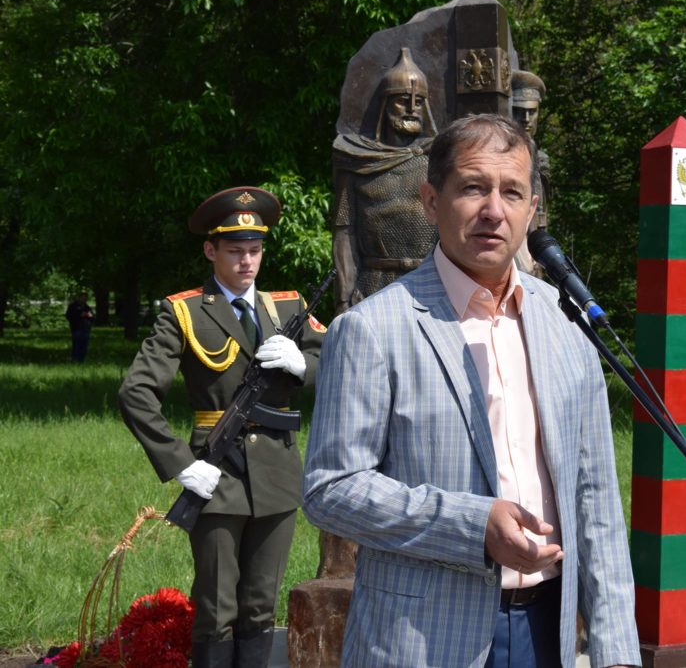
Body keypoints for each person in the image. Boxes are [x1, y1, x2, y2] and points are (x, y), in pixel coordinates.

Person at [303, 114, 640, 668]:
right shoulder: (372, 329)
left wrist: (617, 652)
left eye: (512, 192)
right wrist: (472, 526)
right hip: (419, 640)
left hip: (546, 630)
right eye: (473, 188)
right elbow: (331, 489)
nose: (493, 210)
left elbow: (595, 497)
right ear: (430, 201)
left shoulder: (567, 324)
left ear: (532, 210)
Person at [118, 186, 325, 668]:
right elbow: (135, 392)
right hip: (216, 474)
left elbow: (340, 360)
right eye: (234, 250)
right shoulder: (185, 311)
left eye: (254, 249)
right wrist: (180, 463)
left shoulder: (288, 308)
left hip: (276, 474)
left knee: (261, 606)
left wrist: (303, 367)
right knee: (216, 608)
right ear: (211, 250)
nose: (247, 261)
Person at [331, 47, 439, 312]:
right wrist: (343, 297)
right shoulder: (358, 162)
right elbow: (344, 233)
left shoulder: (437, 163)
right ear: (385, 105)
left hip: (430, 281)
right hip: (374, 285)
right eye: (402, 100)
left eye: (418, 102)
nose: (411, 109)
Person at [510, 69, 552, 277]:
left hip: (536, 248)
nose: (526, 119)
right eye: (518, 111)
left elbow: (543, 209)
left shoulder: (540, 157)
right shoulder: (503, 158)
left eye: (532, 112)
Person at [65, 293, 94, 362]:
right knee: (76, 343)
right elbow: (69, 316)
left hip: (86, 327)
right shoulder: (73, 306)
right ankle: (75, 358)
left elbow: (92, 317)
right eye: (82, 298)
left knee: (84, 344)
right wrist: (79, 315)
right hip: (76, 327)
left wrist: (90, 316)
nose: (84, 300)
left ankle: (82, 358)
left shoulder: (87, 307)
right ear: (79, 298)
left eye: (85, 299)